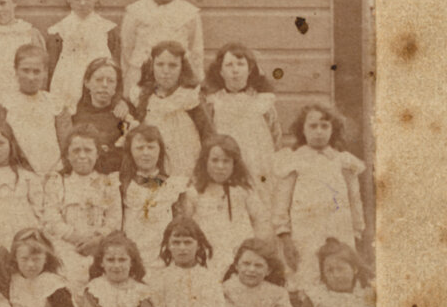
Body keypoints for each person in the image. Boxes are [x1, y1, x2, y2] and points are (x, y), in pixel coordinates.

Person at [274, 102, 367, 296]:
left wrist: (356, 232)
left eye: (325, 126)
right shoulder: (293, 160)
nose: (319, 132)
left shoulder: (344, 161)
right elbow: (281, 203)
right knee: (306, 272)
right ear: (303, 130)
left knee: (338, 271)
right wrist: (285, 236)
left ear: (333, 130)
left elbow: (354, 200)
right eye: (313, 126)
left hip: (338, 229)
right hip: (305, 231)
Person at [182, 135, 267, 277]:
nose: (220, 166)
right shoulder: (194, 192)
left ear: (235, 163)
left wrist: (256, 249)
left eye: (226, 161)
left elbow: (261, 220)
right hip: (207, 258)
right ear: (205, 162)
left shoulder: (243, 191)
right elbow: (185, 226)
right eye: (214, 160)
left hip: (239, 258)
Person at [205, 43, 282, 195]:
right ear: (220, 71)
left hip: (258, 161)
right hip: (226, 162)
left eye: (241, 64)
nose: (235, 70)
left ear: (250, 70)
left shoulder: (263, 101)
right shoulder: (214, 103)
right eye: (229, 65)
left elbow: (276, 136)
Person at [117, 0, 204, 85]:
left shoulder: (190, 13)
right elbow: (126, 49)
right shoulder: (135, 11)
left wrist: (197, 81)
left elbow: (196, 52)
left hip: (177, 78)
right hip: (141, 77)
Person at [45, 128, 121, 271]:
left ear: (97, 154)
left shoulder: (108, 182)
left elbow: (114, 219)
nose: (82, 156)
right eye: (76, 150)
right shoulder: (57, 182)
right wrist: (77, 238)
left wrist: (96, 240)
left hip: (100, 250)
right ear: (67, 154)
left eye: (88, 150)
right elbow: (51, 219)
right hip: (66, 250)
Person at [44, 0, 117, 116]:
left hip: (99, 98)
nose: (82, 3)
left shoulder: (108, 31)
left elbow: (116, 70)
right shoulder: (58, 32)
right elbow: (51, 70)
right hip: (66, 95)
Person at [0, 119, 48, 252]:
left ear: (11, 144)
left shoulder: (27, 177)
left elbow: (39, 211)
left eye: (0, 143)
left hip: (26, 237)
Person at [137, 40, 209, 182]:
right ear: (152, 66)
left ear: (182, 68)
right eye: (160, 64)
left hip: (186, 160)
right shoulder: (143, 97)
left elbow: (207, 132)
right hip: (155, 163)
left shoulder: (190, 98)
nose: (166, 71)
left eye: (173, 65)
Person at [119, 123, 188, 267]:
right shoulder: (122, 184)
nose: (146, 153)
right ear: (130, 151)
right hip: (131, 257)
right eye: (139, 148)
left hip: (163, 258)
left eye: (151, 147)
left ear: (160, 151)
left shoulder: (173, 186)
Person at [61, 56, 133, 175]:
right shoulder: (75, 115)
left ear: (116, 86)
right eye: (99, 79)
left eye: (110, 81)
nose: (104, 85)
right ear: (87, 83)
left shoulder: (124, 113)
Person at [3, 46, 63, 182]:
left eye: (37, 71)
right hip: (19, 174)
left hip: (54, 173)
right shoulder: (5, 104)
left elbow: (66, 142)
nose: (31, 77)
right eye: (25, 70)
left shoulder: (54, 103)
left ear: (45, 73)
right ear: (15, 71)